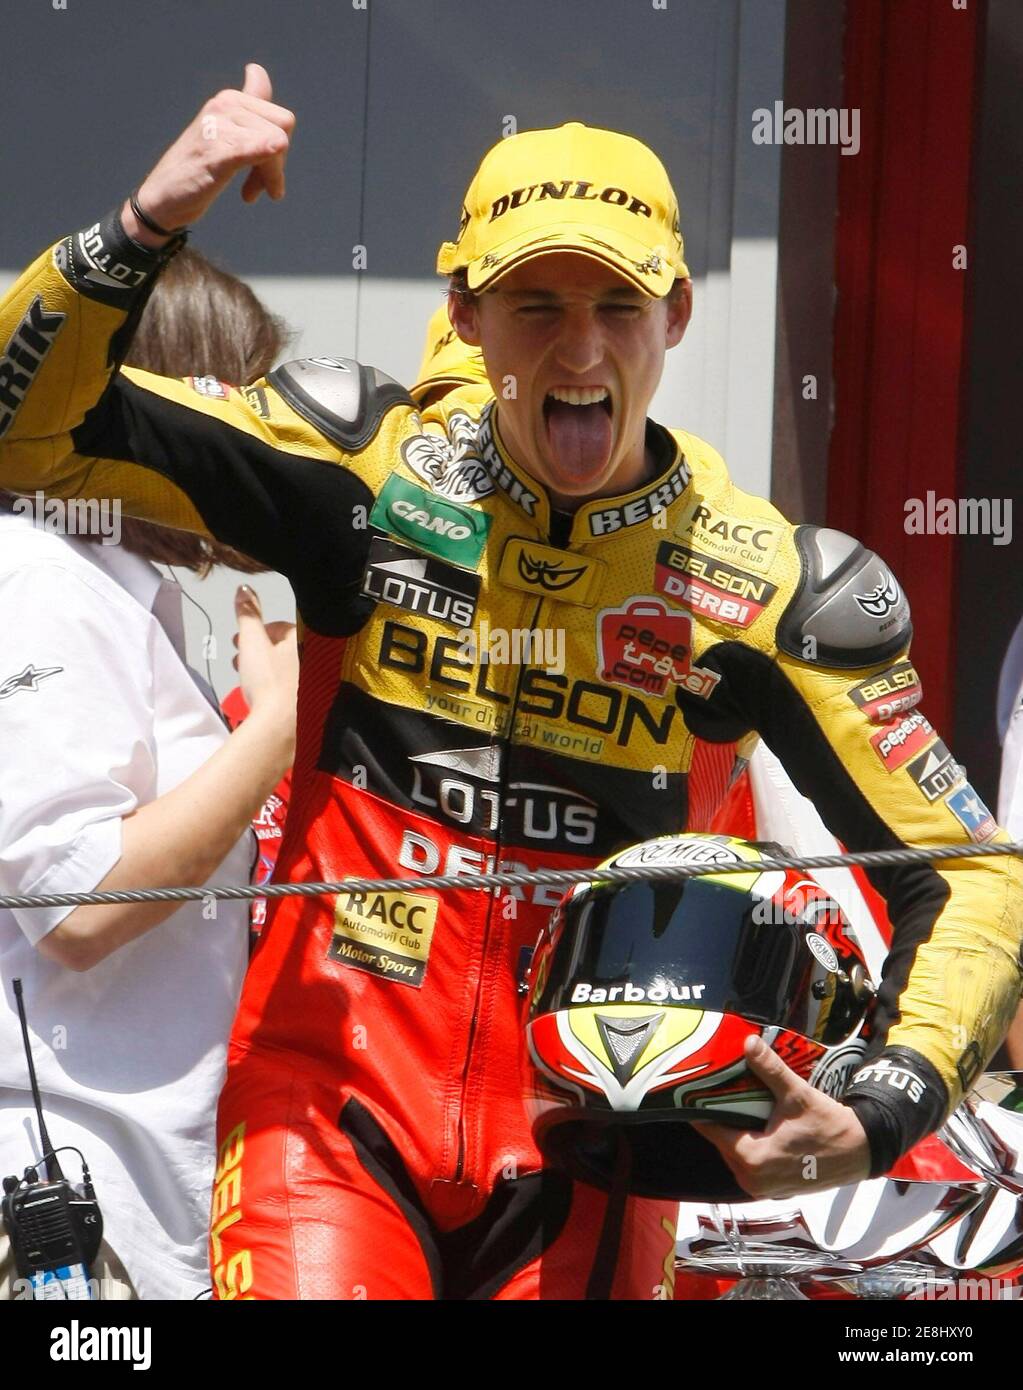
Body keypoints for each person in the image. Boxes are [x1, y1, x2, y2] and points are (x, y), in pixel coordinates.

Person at [0, 63, 1020, 1300]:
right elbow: (30, 436)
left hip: (597, 1140)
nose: (581, 348)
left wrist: (887, 1106)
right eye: (536, 304)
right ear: (467, 313)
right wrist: (144, 225)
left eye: (618, 304)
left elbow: (969, 871)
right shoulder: (364, 473)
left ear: (679, 315)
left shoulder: (762, 587)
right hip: (327, 1108)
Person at [0, 244, 297, 1299]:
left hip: (143, 1191)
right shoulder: (42, 576)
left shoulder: (131, 594)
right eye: (249, 418)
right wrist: (272, 732)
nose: (270, 456)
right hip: (67, 1199)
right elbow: (72, 898)